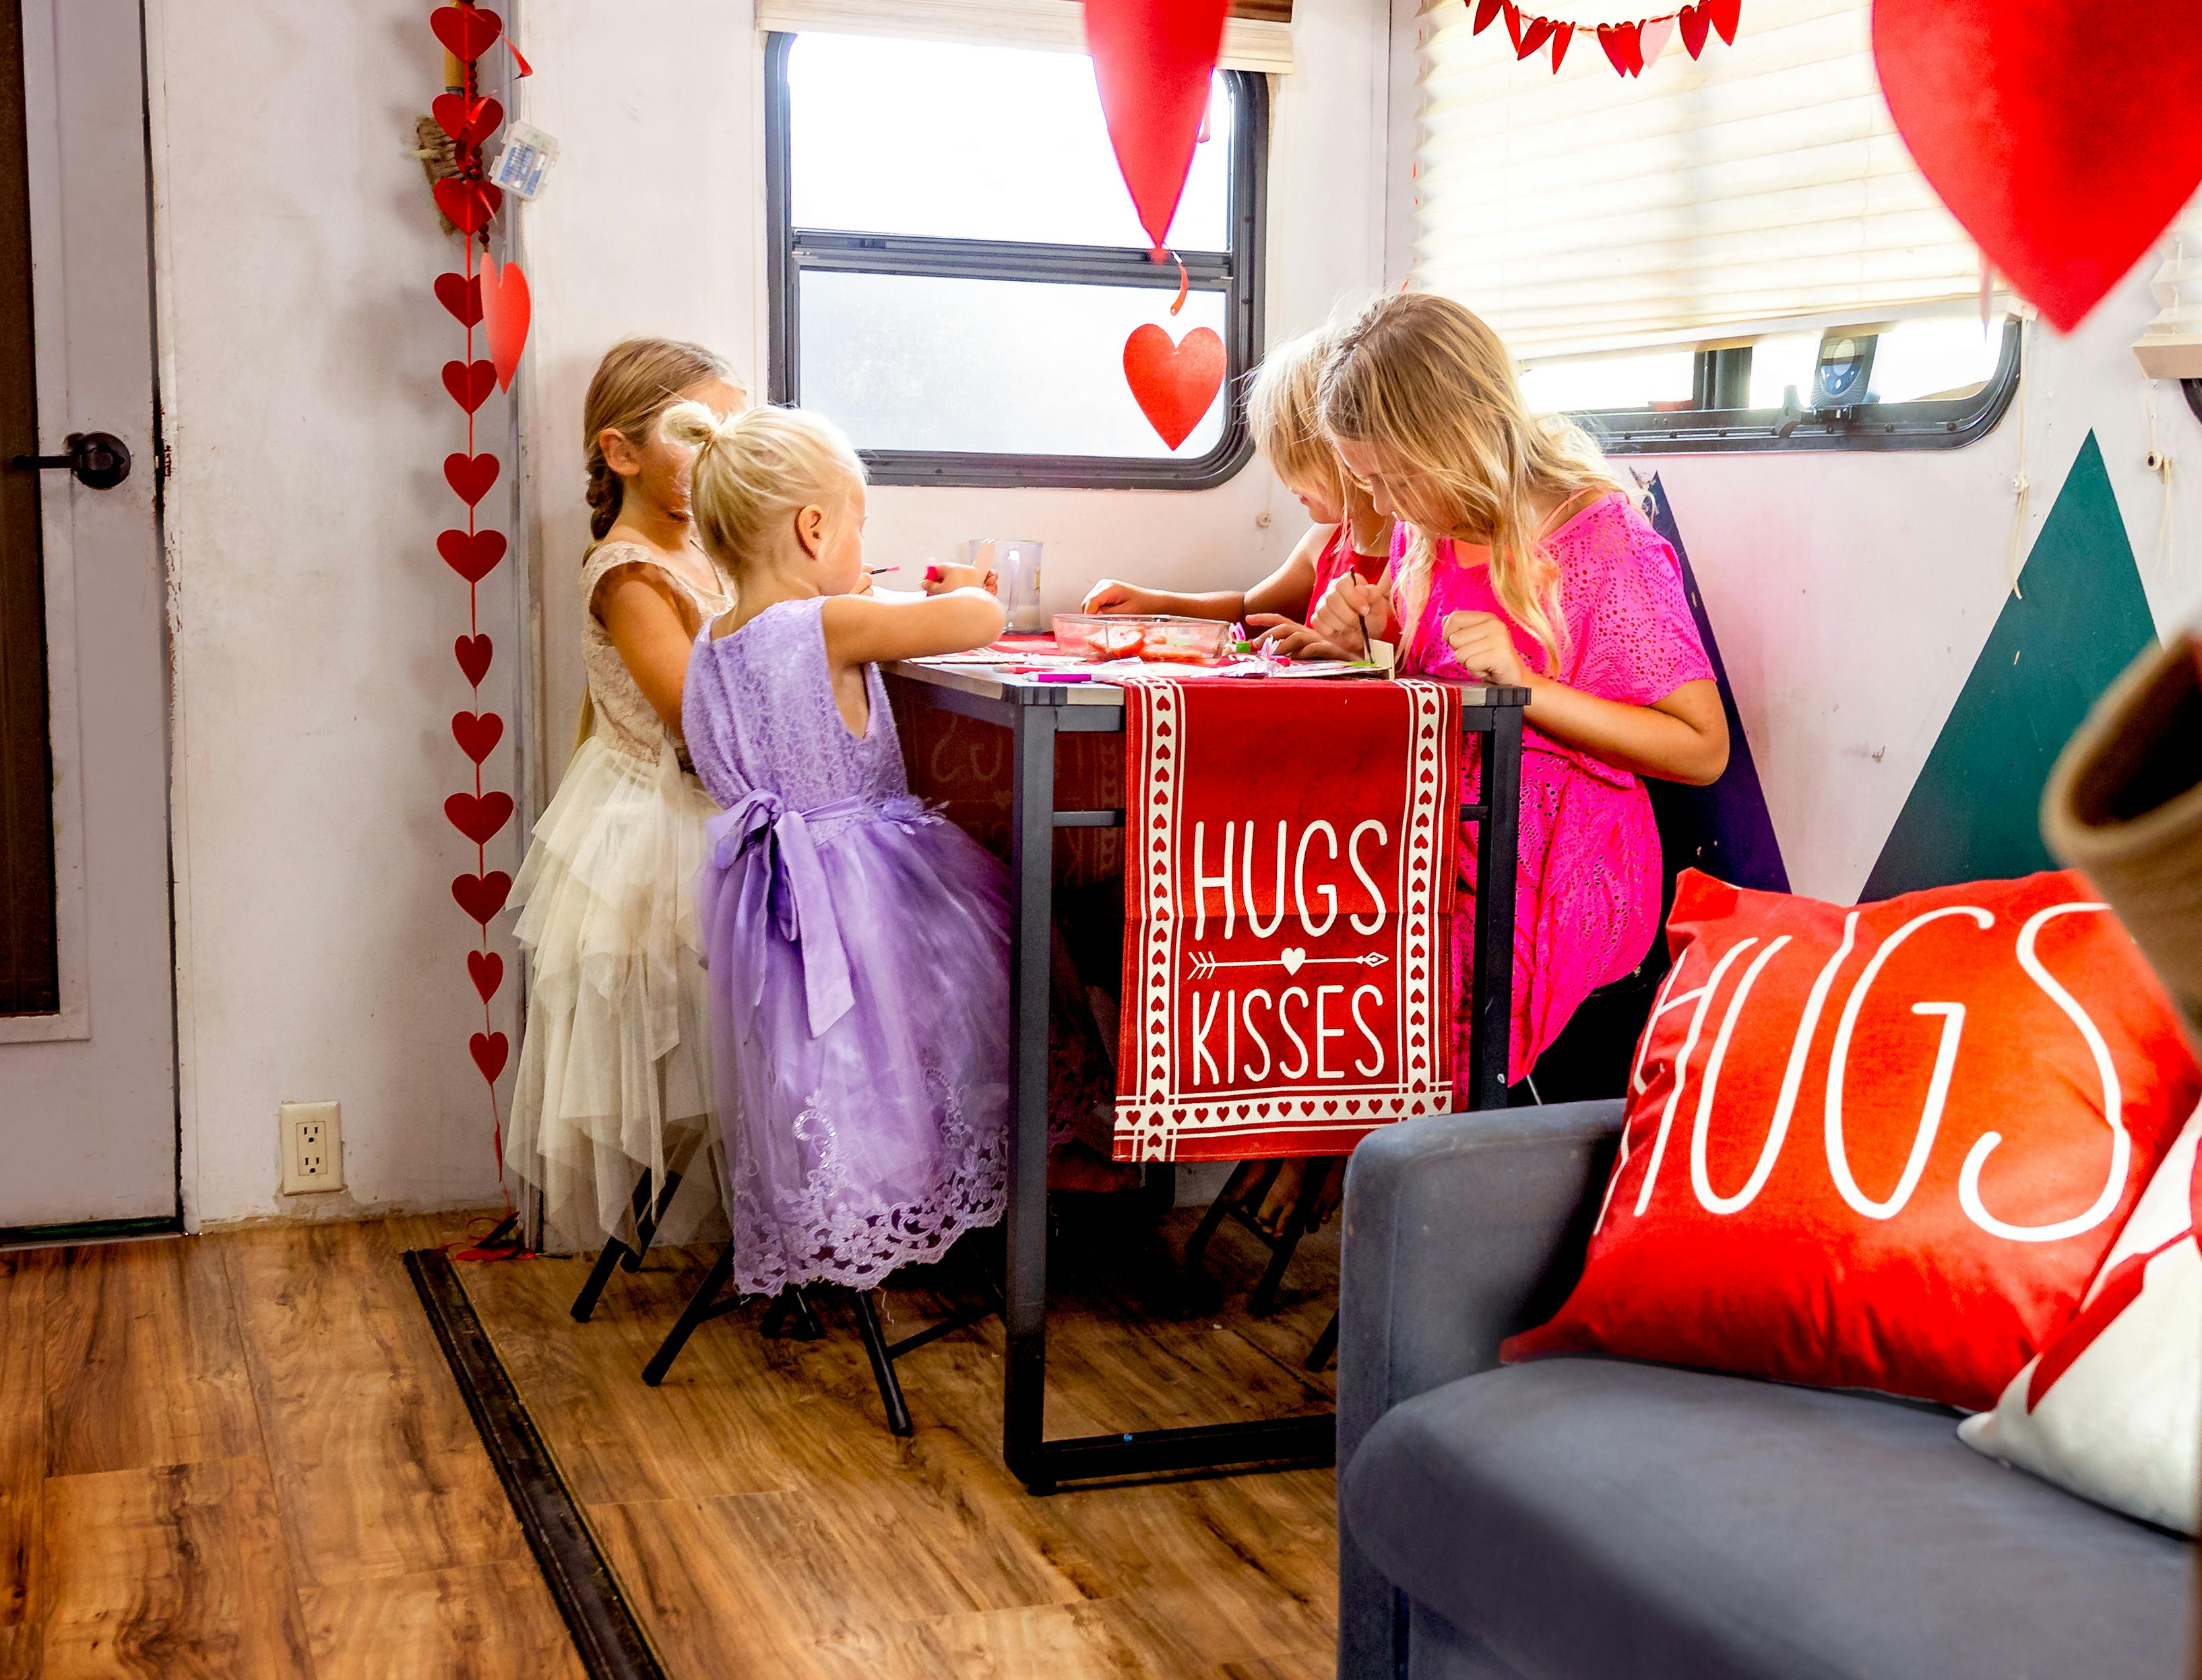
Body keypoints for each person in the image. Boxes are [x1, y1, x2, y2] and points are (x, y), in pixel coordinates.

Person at [1309, 290, 1730, 1099]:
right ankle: (1325, 1150)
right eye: (1369, 482)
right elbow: (1439, 683)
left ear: (1454, 441)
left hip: (1563, 855)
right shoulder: (1422, 531)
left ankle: (1380, 1163)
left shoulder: (1598, 542)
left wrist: (1529, 688)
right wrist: (1368, 648)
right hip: (1449, 828)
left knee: (1423, 984)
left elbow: (1700, 748)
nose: (1386, 505)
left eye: (1395, 477)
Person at [667, 400, 1021, 1299]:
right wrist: (966, 584)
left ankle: (841, 1216)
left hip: (766, 900)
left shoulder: (713, 643)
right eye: (860, 529)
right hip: (866, 890)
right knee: (972, 1002)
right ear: (812, 527)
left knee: (827, 1065)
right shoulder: (829, 624)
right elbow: (978, 621)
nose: (864, 552)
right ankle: (957, 1207)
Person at [504, 337, 743, 1263]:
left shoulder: (710, 548)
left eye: (735, 431)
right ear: (621, 452)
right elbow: (702, 721)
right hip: (662, 822)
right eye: (696, 432)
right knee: (696, 1037)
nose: (720, 452)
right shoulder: (632, 570)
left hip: (709, 803)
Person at [1080, 328, 1395, 650]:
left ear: (1345, 454)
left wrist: (1344, 652)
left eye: (1296, 464)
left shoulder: (1414, 555)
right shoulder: (1324, 543)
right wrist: (1155, 603)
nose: (1287, 484)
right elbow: (1247, 609)